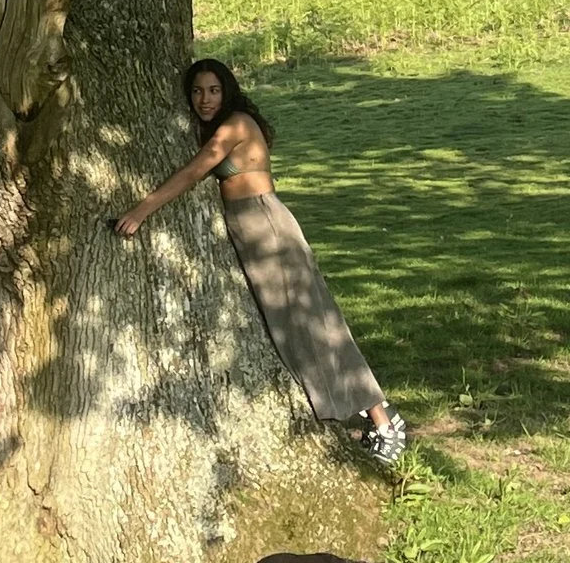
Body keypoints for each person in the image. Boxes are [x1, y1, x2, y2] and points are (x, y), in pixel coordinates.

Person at [112, 57, 408, 468]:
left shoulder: (236, 124)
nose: (204, 99)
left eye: (213, 90)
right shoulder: (221, 125)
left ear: (227, 90)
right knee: (293, 330)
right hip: (251, 232)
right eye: (197, 91)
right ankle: (357, 412)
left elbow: (194, 172)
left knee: (316, 321)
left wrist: (142, 210)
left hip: (267, 229)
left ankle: (384, 417)